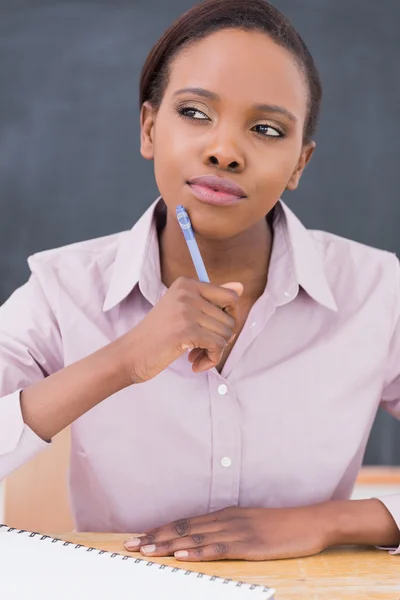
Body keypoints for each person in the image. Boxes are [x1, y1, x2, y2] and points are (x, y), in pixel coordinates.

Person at [0, 0, 399, 562]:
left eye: (266, 129)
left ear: (298, 165)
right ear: (148, 128)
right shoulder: (63, 288)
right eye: (194, 112)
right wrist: (124, 359)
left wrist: (333, 521)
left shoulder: (378, 291)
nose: (224, 151)